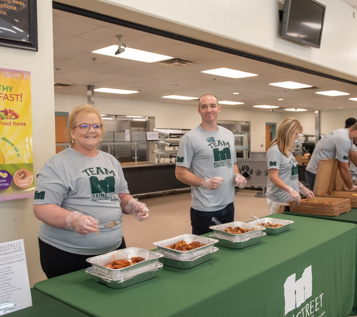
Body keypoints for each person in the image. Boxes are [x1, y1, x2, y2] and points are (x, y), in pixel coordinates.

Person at [33, 105, 149, 278]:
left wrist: (132, 205)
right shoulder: (57, 164)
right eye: (84, 126)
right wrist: (73, 220)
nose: (91, 130)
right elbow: (42, 208)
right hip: (68, 254)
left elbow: (121, 196)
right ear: (72, 132)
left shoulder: (111, 161)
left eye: (96, 126)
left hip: (113, 250)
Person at [175, 94, 247, 235]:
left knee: (227, 248)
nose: (209, 110)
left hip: (228, 204)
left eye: (212, 106)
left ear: (219, 108)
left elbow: (232, 164)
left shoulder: (228, 135)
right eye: (204, 106)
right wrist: (204, 182)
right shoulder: (190, 138)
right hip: (205, 208)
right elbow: (180, 172)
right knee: (206, 250)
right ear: (199, 110)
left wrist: (237, 175)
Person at [305, 120, 357, 191]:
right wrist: (351, 187)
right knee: (318, 200)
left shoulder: (345, 135)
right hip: (316, 173)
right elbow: (343, 167)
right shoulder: (343, 139)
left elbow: (354, 156)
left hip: (323, 171)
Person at [266, 117, 314, 214]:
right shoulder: (275, 151)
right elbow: (274, 177)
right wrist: (290, 190)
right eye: (296, 133)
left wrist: (302, 188)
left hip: (290, 199)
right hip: (279, 200)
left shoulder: (287, 150)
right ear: (288, 132)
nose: (297, 136)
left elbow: (290, 175)